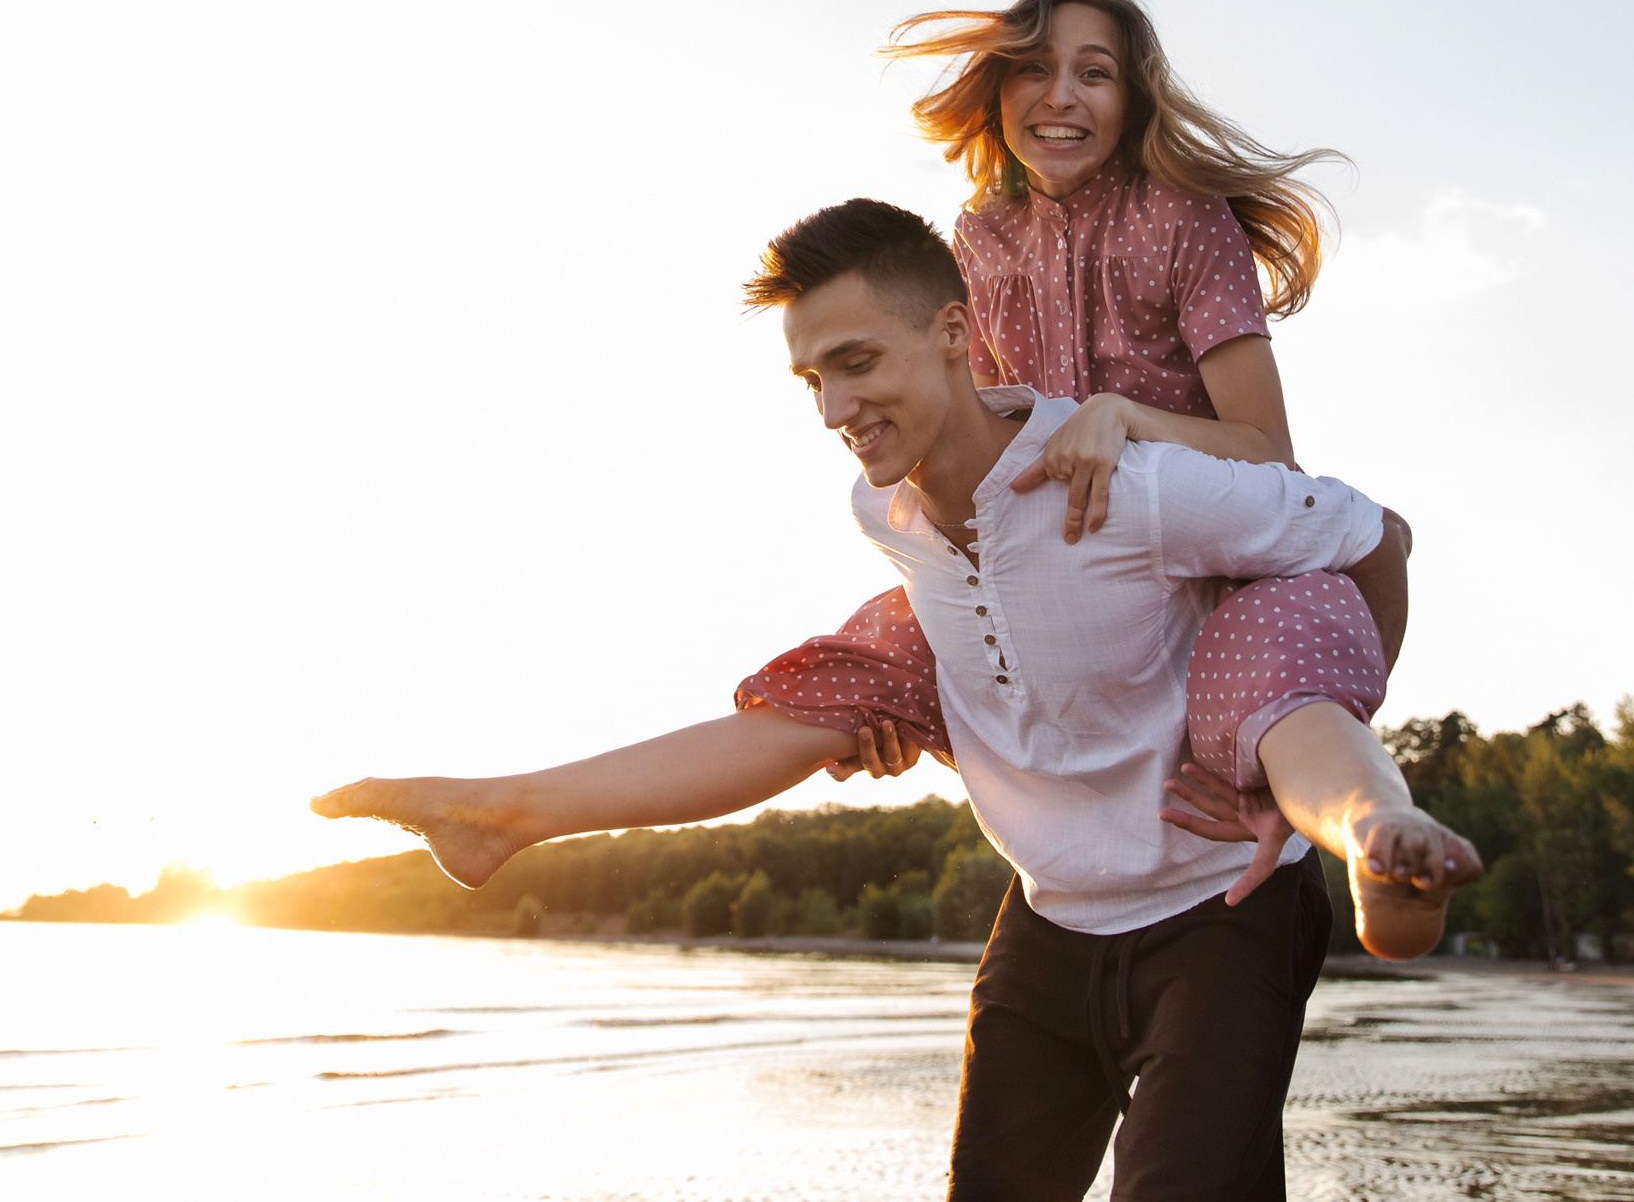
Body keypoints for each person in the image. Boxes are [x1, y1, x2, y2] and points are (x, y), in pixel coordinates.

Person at [321, 202, 1478, 1199]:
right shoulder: (885, 518)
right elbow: (817, 719)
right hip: (1050, 924)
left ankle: (1377, 836)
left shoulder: (1126, 484)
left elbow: (1377, 541)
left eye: (858, 363)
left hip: (1218, 912)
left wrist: (1315, 724)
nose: (834, 407)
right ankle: (509, 814)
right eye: (811, 377)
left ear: (954, 332)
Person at [320, 0, 1474, 956]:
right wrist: (948, 662)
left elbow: (1270, 456)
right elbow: (969, 415)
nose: (1059, 98)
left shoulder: (1183, 222)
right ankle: (512, 811)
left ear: (1132, 99)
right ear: (1000, 91)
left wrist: (1120, 415)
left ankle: (1378, 835)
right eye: (1034, 71)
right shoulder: (977, 237)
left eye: (1095, 74)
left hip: (1210, 526)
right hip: (1063, 539)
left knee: (1280, 659)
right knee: (843, 672)